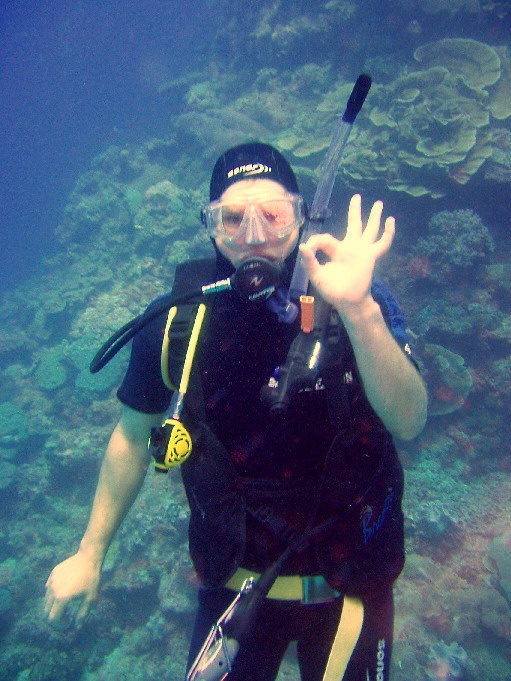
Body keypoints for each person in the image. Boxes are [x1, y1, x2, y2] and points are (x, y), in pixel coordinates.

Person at [45, 143, 427, 681]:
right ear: (211, 227)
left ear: (302, 218)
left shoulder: (354, 296)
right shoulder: (177, 324)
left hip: (351, 584)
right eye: (232, 218)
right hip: (231, 588)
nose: (254, 235)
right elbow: (132, 437)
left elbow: (409, 421)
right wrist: (90, 552)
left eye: (273, 215)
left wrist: (360, 310)